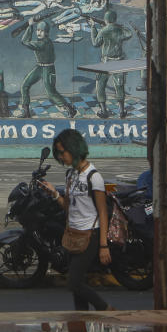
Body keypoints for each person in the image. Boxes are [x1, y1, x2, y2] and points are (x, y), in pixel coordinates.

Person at [40, 129, 115, 312]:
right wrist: (55, 193)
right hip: (72, 235)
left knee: (73, 283)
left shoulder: (93, 177)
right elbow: (68, 206)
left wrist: (103, 245)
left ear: (74, 149)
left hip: (90, 235)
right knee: (77, 288)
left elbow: (103, 212)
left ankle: (104, 307)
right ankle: (79, 327)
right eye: (58, 152)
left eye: (62, 151)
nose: (60, 156)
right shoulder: (71, 175)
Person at [17, 15, 77, 118]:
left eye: (42, 31)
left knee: (51, 93)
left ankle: (69, 109)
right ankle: (26, 111)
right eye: (38, 30)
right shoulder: (42, 41)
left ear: (47, 33)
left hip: (48, 69)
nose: (39, 32)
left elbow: (25, 42)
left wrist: (30, 26)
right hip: (39, 67)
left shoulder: (44, 43)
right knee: (25, 85)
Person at [90, 9, 133, 118]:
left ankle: (104, 111)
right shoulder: (119, 30)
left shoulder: (103, 30)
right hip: (118, 61)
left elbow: (95, 43)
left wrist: (93, 27)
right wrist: (120, 26)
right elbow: (129, 33)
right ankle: (122, 111)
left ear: (105, 19)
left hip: (106, 62)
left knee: (100, 85)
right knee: (119, 86)